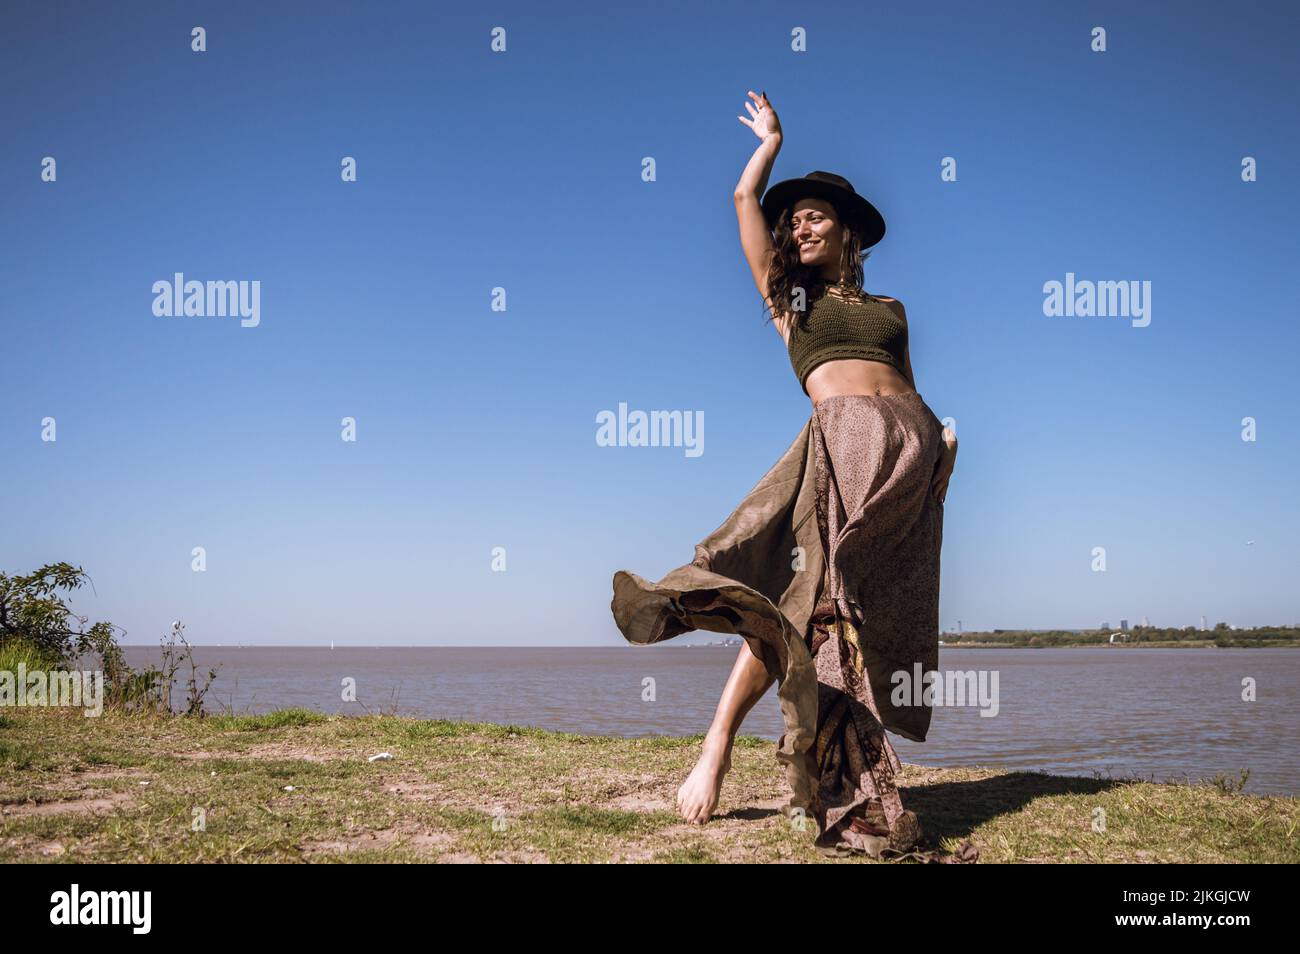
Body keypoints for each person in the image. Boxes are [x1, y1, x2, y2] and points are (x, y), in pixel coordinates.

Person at [610, 91, 958, 858]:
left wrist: (943, 454)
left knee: (873, 614)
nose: (799, 223)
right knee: (806, 610)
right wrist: (770, 142)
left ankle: (853, 769)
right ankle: (722, 747)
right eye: (792, 217)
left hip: (905, 460)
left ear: (848, 231)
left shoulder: (892, 306)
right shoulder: (790, 300)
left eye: (814, 215)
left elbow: (910, 384)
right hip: (837, 451)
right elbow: (742, 200)